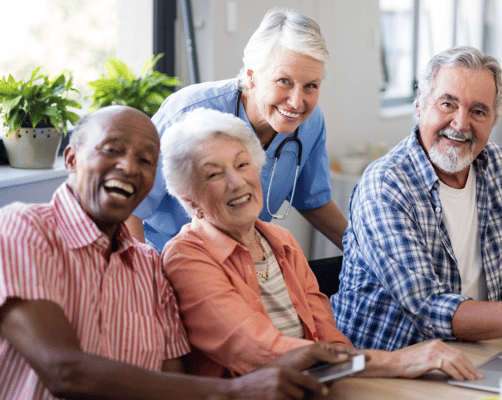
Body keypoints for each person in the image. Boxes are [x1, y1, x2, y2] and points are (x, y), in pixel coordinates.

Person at [0, 105, 360, 400]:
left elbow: (176, 381)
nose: (129, 167)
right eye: (112, 150)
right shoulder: (24, 228)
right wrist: (234, 392)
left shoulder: (147, 266)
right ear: (71, 159)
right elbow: (65, 372)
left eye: (145, 161)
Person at [158, 107, 481, 381]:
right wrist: (393, 361)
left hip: (315, 385)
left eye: (243, 165)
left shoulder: (280, 240)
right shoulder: (187, 257)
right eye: (214, 175)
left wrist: (361, 366)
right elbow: (257, 350)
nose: (236, 182)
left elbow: (329, 337)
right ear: (190, 201)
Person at [330, 46, 502, 351]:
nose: (460, 123)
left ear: (493, 119)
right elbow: (427, 306)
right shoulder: (385, 185)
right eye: (447, 104)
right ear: (420, 106)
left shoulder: (500, 167)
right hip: (390, 364)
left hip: (476, 351)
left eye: (478, 111)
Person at [127, 8, 347, 252]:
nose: (297, 102)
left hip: (241, 262)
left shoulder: (310, 123)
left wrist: (364, 252)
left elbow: (313, 200)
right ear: (252, 77)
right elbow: (130, 207)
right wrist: (144, 279)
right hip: (168, 260)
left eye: (310, 86)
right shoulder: (185, 114)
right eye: (284, 81)